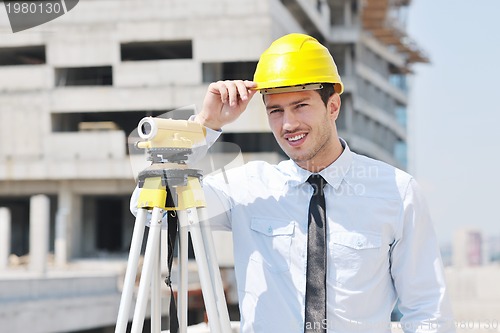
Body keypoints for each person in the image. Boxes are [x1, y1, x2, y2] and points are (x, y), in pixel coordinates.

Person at [134, 33, 455, 333]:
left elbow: (427, 309)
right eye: (276, 110)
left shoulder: (396, 192)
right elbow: (149, 211)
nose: (288, 124)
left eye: (301, 106)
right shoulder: (245, 187)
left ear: (333, 106)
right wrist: (205, 126)